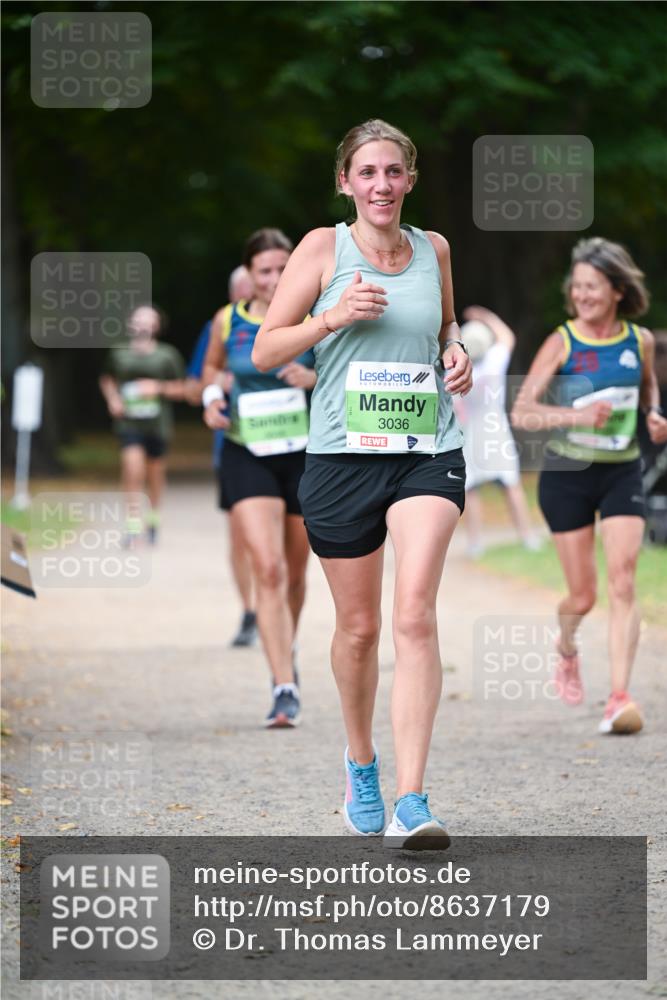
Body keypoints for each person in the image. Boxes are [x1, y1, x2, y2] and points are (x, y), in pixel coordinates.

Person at [252, 119, 472, 849]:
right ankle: (361, 763)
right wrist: (331, 317)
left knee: (413, 614)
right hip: (341, 460)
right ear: (345, 182)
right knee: (359, 628)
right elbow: (265, 350)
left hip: (425, 450)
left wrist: (456, 351)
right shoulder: (323, 249)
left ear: (410, 179)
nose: (382, 185)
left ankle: (413, 798)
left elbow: (445, 325)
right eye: (367, 173)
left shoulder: (434, 249)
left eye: (394, 171)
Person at [511, 237, 667, 735]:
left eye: (593, 286)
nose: (582, 295)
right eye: (577, 286)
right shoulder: (563, 340)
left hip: (621, 470)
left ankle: (619, 697)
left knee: (623, 580)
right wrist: (574, 415)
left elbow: (647, 386)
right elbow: (522, 412)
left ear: (618, 290)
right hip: (568, 475)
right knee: (583, 597)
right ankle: (566, 646)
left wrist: (654, 413)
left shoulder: (639, 341)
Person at [201, 228, 317, 727]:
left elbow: (347, 376)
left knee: (295, 572)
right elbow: (211, 369)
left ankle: (285, 646)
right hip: (247, 451)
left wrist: (313, 377)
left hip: (307, 454)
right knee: (267, 568)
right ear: (248, 275)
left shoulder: (315, 316)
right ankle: (283, 684)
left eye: (282, 268)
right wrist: (211, 398)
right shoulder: (228, 320)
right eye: (264, 270)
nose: (273, 278)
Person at [185, 265, 258, 648]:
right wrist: (218, 387)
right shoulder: (220, 326)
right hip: (234, 443)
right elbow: (194, 387)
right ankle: (250, 611)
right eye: (244, 291)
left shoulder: (295, 319)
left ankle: (278, 608)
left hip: (291, 445)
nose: (252, 296)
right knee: (242, 534)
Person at [456, 306, 541, 557]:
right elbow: (507, 337)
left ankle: (475, 543)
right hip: (496, 430)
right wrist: (486, 316)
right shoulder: (494, 361)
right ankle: (527, 536)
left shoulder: (456, 369)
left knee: (471, 489)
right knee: (510, 484)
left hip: (469, 434)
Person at [99, 305, 185, 544]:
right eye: (139, 319)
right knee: (132, 469)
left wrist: (158, 387)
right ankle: (132, 524)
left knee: (154, 473)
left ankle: (153, 518)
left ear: (157, 326)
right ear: (130, 323)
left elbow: (184, 388)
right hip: (129, 424)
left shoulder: (167, 355)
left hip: (157, 425)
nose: (143, 324)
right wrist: (113, 399)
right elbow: (107, 379)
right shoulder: (118, 353)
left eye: (149, 320)